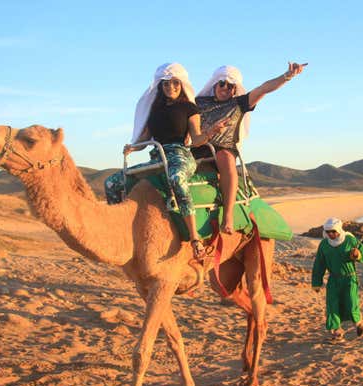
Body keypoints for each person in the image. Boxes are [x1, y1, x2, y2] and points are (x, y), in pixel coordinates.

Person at [191, 62, 306, 234]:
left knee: (225, 158)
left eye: (231, 86)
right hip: (198, 146)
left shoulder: (239, 103)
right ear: (215, 84)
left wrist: (287, 76)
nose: (226, 88)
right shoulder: (198, 103)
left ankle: (228, 216)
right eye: (222, 83)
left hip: (224, 148)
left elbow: (263, 89)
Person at [120, 63, 219, 261]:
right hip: (158, 157)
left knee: (176, 178)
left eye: (175, 83)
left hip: (180, 155)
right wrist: (132, 147)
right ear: (160, 86)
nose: (170, 87)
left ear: (181, 84)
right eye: (166, 84)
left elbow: (196, 138)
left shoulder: (189, 108)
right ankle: (120, 231)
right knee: (114, 182)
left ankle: (194, 237)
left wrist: (210, 133)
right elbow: (144, 141)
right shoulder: (154, 111)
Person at [312, 218, 363, 341]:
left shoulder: (349, 240)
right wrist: (316, 282)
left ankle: (359, 321)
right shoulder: (324, 245)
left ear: (338, 230)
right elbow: (319, 264)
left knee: (351, 303)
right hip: (333, 280)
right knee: (332, 306)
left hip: (349, 279)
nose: (331, 234)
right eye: (328, 232)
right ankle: (337, 333)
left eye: (333, 231)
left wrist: (357, 255)